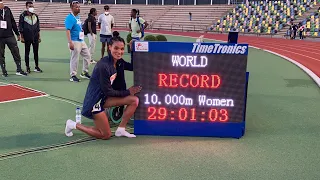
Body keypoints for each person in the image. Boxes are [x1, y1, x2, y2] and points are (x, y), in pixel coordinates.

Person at [65, 35, 142, 139]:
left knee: (134, 100)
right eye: (116, 48)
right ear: (109, 47)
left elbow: (133, 66)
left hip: (104, 98)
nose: (119, 52)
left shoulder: (119, 62)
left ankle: (121, 130)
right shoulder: (103, 66)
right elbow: (108, 91)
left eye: (122, 49)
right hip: (95, 102)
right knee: (105, 135)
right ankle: (73, 125)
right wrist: (128, 92)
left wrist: (133, 51)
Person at [65, 1, 91, 82]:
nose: (78, 8)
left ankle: (84, 72)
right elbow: (68, 30)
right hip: (74, 41)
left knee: (88, 56)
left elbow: (78, 26)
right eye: (76, 7)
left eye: (79, 7)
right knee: (75, 59)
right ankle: (73, 75)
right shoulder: (70, 18)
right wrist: (70, 42)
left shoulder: (77, 16)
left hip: (81, 40)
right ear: (72, 8)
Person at [0, 0, 27, 77]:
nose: (2, 4)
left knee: (16, 52)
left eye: (2, 3)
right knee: (1, 55)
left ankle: (19, 69)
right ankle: (4, 71)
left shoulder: (7, 9)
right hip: (0, 37)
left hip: (10, 35)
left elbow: (12, 21)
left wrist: (17, 33)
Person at [19, 1, 42, 73]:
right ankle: (27, 67)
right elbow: (20, 27)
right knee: (27, 52)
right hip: (27, 37)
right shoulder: (23, 16)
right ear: (26, 7)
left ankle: (36, 67)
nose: (31, 8)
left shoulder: (35, 16)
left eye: (32, 6)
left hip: (35, 37)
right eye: (30, 6)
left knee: (36, 52)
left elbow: (38, 27)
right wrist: (22, 37)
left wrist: (39, 36)